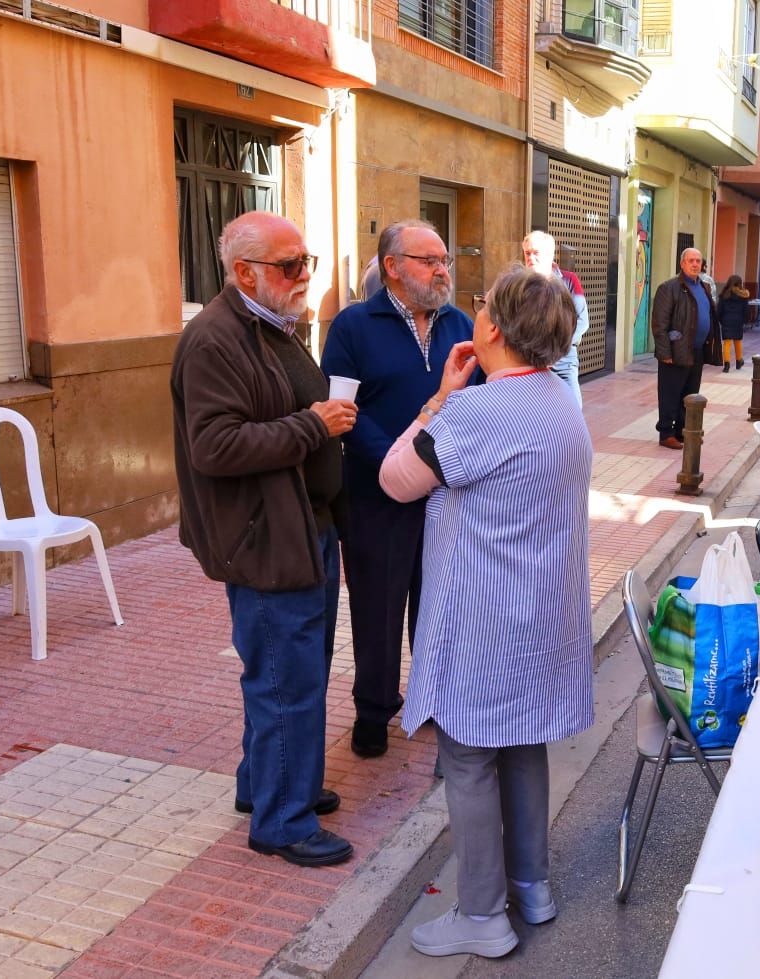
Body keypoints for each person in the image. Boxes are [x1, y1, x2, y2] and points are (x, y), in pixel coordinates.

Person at [378, 265, 593, 959]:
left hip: (484, 617)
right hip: (542, 614)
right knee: (523, 744)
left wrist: (439, 396)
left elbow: (396, 478)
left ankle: (481, 914)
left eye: (479, 308)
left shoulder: (476, 412)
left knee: (469, 758)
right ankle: (530, 885)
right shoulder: (561, 399)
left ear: (492, 328)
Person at [171, 211, 355, 867]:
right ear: (243, 272)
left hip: (304, 528)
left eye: (307, 261)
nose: (304, 275)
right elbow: (214, 446)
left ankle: (272, 787)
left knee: (289, 674)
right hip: (266, 536)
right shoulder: (215, 340)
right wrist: (314, 425)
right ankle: (282, 821)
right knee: (285, 682)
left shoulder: (272, 324)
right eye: (289, 265)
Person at [321, 219, 476, 759]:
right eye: (428, 260)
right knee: (378, 607)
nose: (441, 270)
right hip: (373, 496)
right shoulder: (353, 326)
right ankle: (374, 709)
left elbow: (479, 403)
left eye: (444, 260)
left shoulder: (462, 325)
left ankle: (430, 698)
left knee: (437, 604)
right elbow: (344, 410)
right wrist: (393, 460)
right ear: (392, 265)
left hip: (445, 495)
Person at [652, 248, 722, 449]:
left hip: (696, 351)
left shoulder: (704, 287)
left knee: (690, 395)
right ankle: (666, 433)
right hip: (675, 352)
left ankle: (683, 431)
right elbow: (659, 324)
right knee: (670, 394)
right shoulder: (669, 288)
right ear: (682, 263)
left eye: (698, 261)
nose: (695, 264)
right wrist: (665, 353)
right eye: (691, 260)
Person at [521, 230, 590, 405]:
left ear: (549, 255)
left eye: (536, 253)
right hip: (529, 362)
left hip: (563, 361)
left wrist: (555, 350)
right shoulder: (518, 284)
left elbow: (582, 321)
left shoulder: (568, 281)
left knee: (574, 409)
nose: (531, 258)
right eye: (527, 253)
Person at [718, 274, 750, 371]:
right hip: (738, 321)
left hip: (726, 320)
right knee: (738, 341)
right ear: (740, 283)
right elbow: (746, 310)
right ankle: (738, 361)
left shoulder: (724, 295)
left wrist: (721, 320)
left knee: (727, 343)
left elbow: (719, 309)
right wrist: (745, 320)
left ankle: (726, 365)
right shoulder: (743, 295)